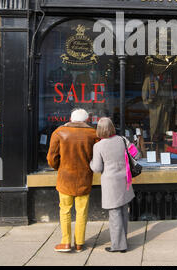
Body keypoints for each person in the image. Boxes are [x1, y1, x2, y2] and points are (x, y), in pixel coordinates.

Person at [47, 108, 99, 253]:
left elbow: (51, 159)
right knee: (82, 211)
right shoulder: (93, 134)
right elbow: (98, 157)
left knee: (65, 210)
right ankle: (79, 243)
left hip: (65, 178)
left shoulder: (59, 132)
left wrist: (60, 167)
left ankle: (65, 242)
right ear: (86, 120)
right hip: (84, 177)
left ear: (71, 118)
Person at [90, 117, 135, 253]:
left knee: (115, 214)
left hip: (111, 183)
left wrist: (90, 162)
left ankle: (119, 246)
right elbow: (136, 154)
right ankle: (123, 241)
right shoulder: (122, 140)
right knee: (123, 212)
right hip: (125, 180)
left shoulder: (98, 146)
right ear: (112, 127)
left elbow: (97, 168)